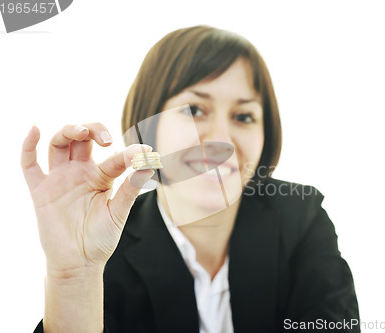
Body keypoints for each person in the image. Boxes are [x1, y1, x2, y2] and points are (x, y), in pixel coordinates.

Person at [22, 25, 360, 333]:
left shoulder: (300, 218)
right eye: (195, 110)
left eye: (244, 116)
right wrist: (76, 274)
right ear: (149, 122)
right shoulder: (108, 243)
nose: (222, 140)